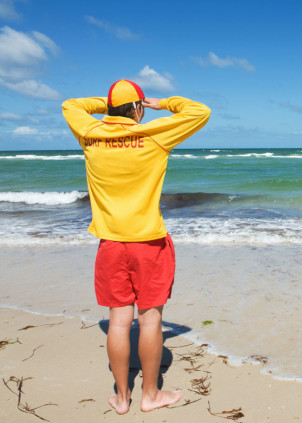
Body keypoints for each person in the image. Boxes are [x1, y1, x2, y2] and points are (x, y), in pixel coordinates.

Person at [62, 80, 210, 414]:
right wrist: (161, 103)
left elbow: (71, 104)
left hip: (111, 243)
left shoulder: (90, 134)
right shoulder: (154, 134)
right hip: (149, 244)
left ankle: (122, 398)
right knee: (150, 320)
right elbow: (200, 111)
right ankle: (151, 395)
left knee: (117, 321)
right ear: (138, 109)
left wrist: (110, 105)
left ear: (112, 109)